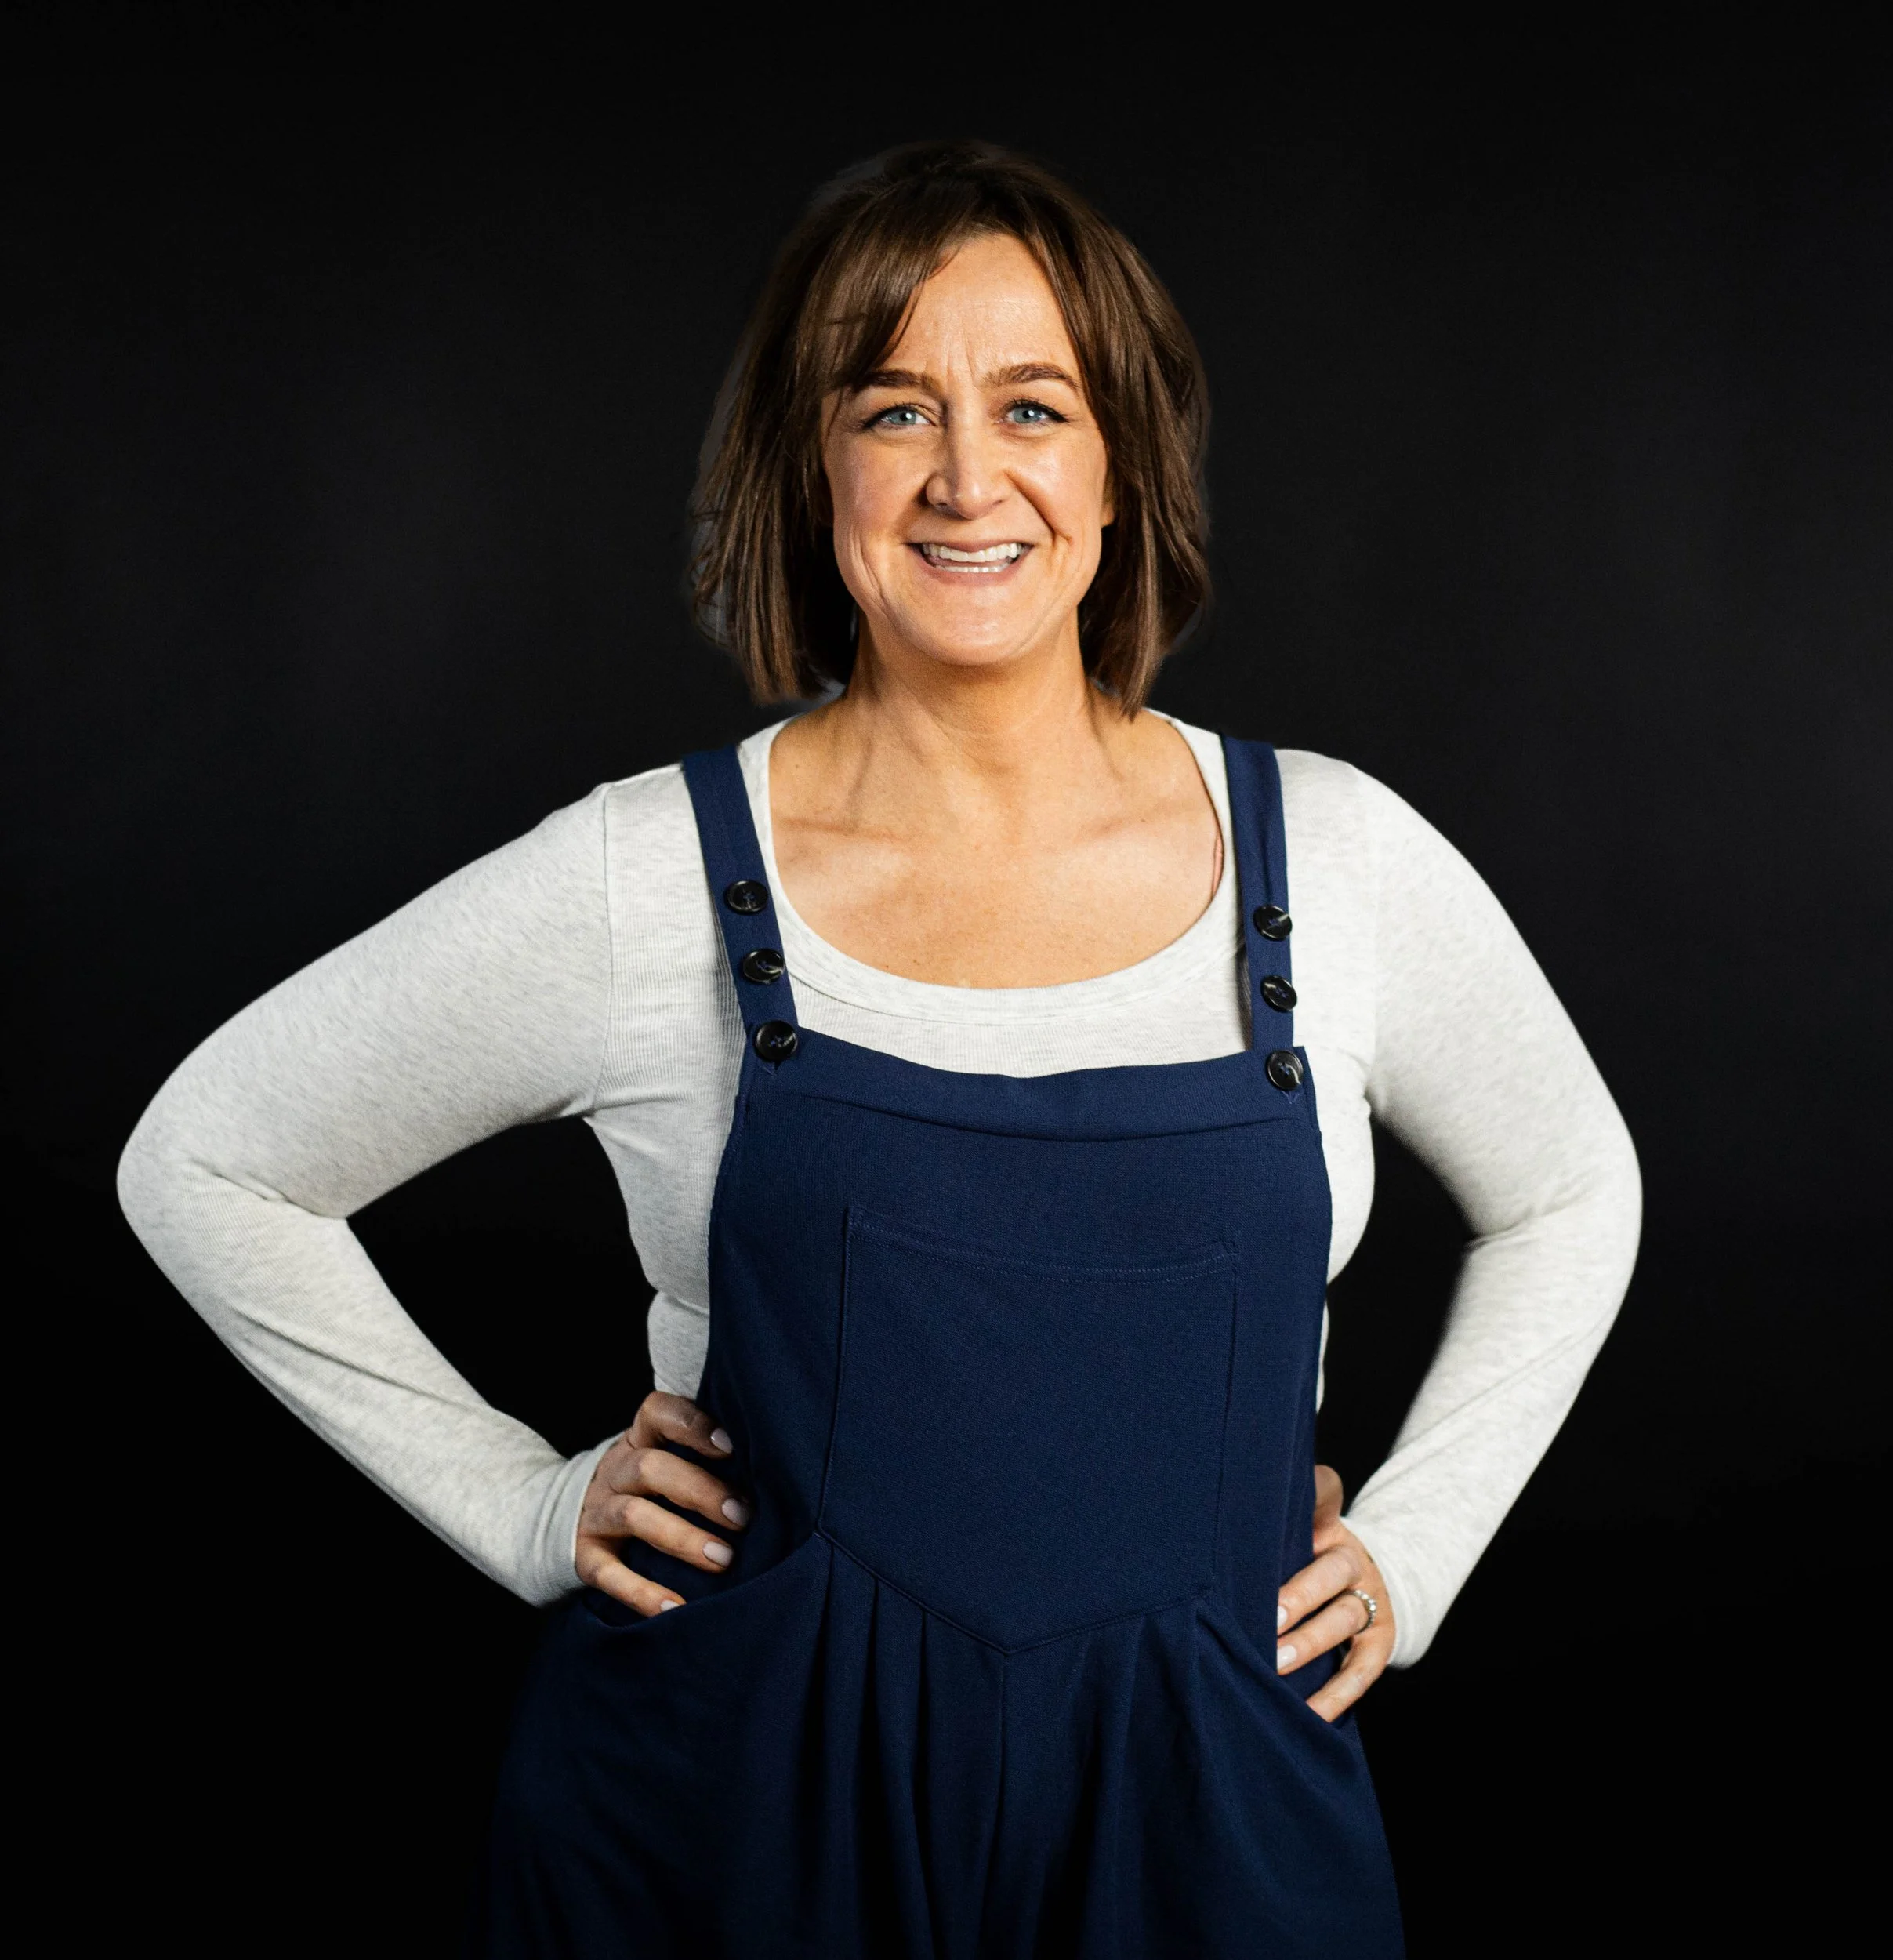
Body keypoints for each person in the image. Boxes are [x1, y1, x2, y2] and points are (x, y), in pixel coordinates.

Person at [118, 141, 1641, 1957]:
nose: (964, 476)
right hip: (727, 1820)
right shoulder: (650, 880)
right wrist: (526, 1506)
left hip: (1203, 1805)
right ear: (811, 463)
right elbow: (204, 1155)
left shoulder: (1331, 858)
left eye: (1033, 406)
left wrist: (1415, 1551)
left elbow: (1569, 1184)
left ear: (1117, 466)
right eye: (893, 406)